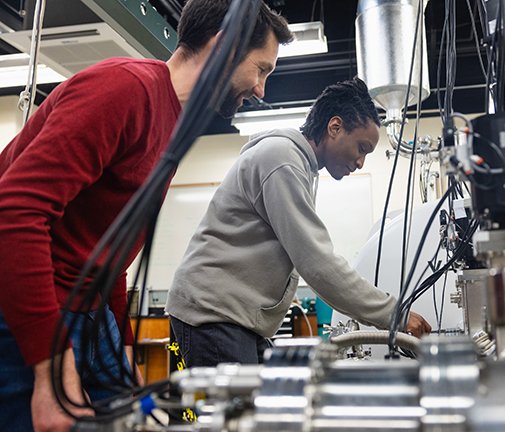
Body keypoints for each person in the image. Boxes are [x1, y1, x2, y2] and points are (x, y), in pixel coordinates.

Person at [0, 1, 292, 430]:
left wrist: (121, 353)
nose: (262, 89)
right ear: (223, 47)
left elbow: (111, 253)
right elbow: (15, 212)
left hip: (88, 316)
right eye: (262, 69)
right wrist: (50, 370)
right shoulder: (123, 90)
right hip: (29, 314)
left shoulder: (172, 122)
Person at [166, 77, 432, 367]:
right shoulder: (282, 160)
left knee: (249, 409)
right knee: (221, 412)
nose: (360, 162)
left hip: (231, 319)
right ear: (335, 127)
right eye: (362, 148)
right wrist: (396, 315)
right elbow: (317, 263)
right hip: (213, 317)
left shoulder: (299, 166)